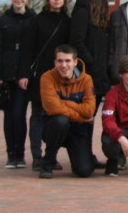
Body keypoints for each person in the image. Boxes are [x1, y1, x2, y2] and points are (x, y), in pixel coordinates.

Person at [19, 0, 72, 172]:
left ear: (64, 0)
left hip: (60, 76)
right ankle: (36, 156)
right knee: (38, 116)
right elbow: (27, 49)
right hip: (40, 76)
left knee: (56, 117)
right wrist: (24, 73)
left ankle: (51, 156)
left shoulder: (67, 21)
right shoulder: (36, 21)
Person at [0, 0, 35, 169]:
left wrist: (27, 73)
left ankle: (21, 154)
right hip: (6, 73)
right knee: (9, 116)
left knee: (20, 114)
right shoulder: (3, 20)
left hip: (24, 75)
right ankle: (11, 154)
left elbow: (33, 48)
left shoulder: (33, 19)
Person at [69, 0, 112, 170]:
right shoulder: (82, 13)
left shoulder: (101, 16)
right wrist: (92, 64)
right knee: (83, 116)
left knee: (90, 117)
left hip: (100, 76)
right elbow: (77, 42)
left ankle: (86, 153)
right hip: (88, 75)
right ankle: (80, 154)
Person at [38, 45, 97, 179]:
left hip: (77, 130)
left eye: (68, 61)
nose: (64, 65)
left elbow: (89, 111)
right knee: (60, 121)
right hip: (53, 128)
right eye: (60, 61)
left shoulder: (86, 79)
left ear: (75, 62)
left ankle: (79, 154)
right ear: (55, 62)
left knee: (84, 171)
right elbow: (53, 108)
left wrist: (64, 102)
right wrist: (80, 116)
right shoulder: (46, 78)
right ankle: (48, 162)